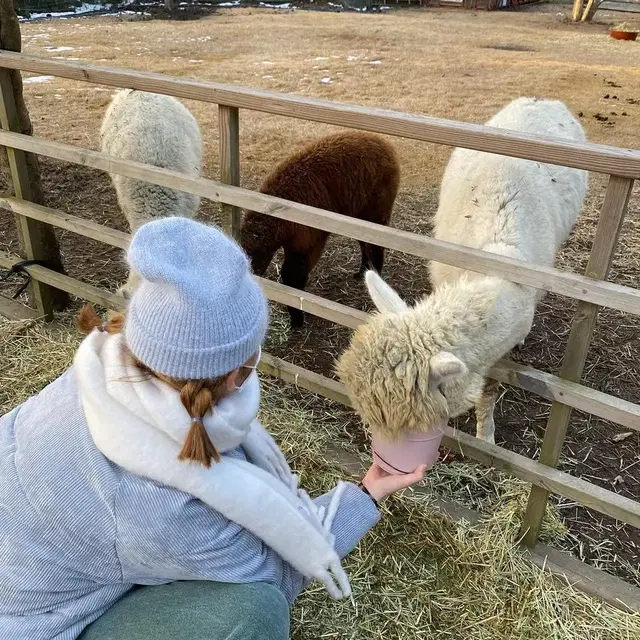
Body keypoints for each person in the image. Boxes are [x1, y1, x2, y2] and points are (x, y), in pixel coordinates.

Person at [0, 217, 426, 640]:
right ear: (236, 374)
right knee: (252, 612)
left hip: (42, 555)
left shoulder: (103, 372)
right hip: (34, 622)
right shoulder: (158, 504)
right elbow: (276, 570)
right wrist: (365, 495)